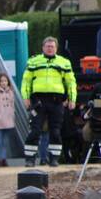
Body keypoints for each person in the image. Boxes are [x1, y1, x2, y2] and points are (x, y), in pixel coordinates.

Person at [22, 37, 76, 167]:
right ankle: (30, 159)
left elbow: (71, 82)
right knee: (35, 130)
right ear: (43, 47)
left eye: (52, 46)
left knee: (56, 131)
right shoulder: (33, 61)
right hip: (38, 101)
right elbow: (26, 81)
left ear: (56, 48)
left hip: (56, 101)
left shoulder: (64, 62)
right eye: (48, 46)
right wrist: (25, 97)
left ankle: (54, 159)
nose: (50, 48)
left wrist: (72, 98)